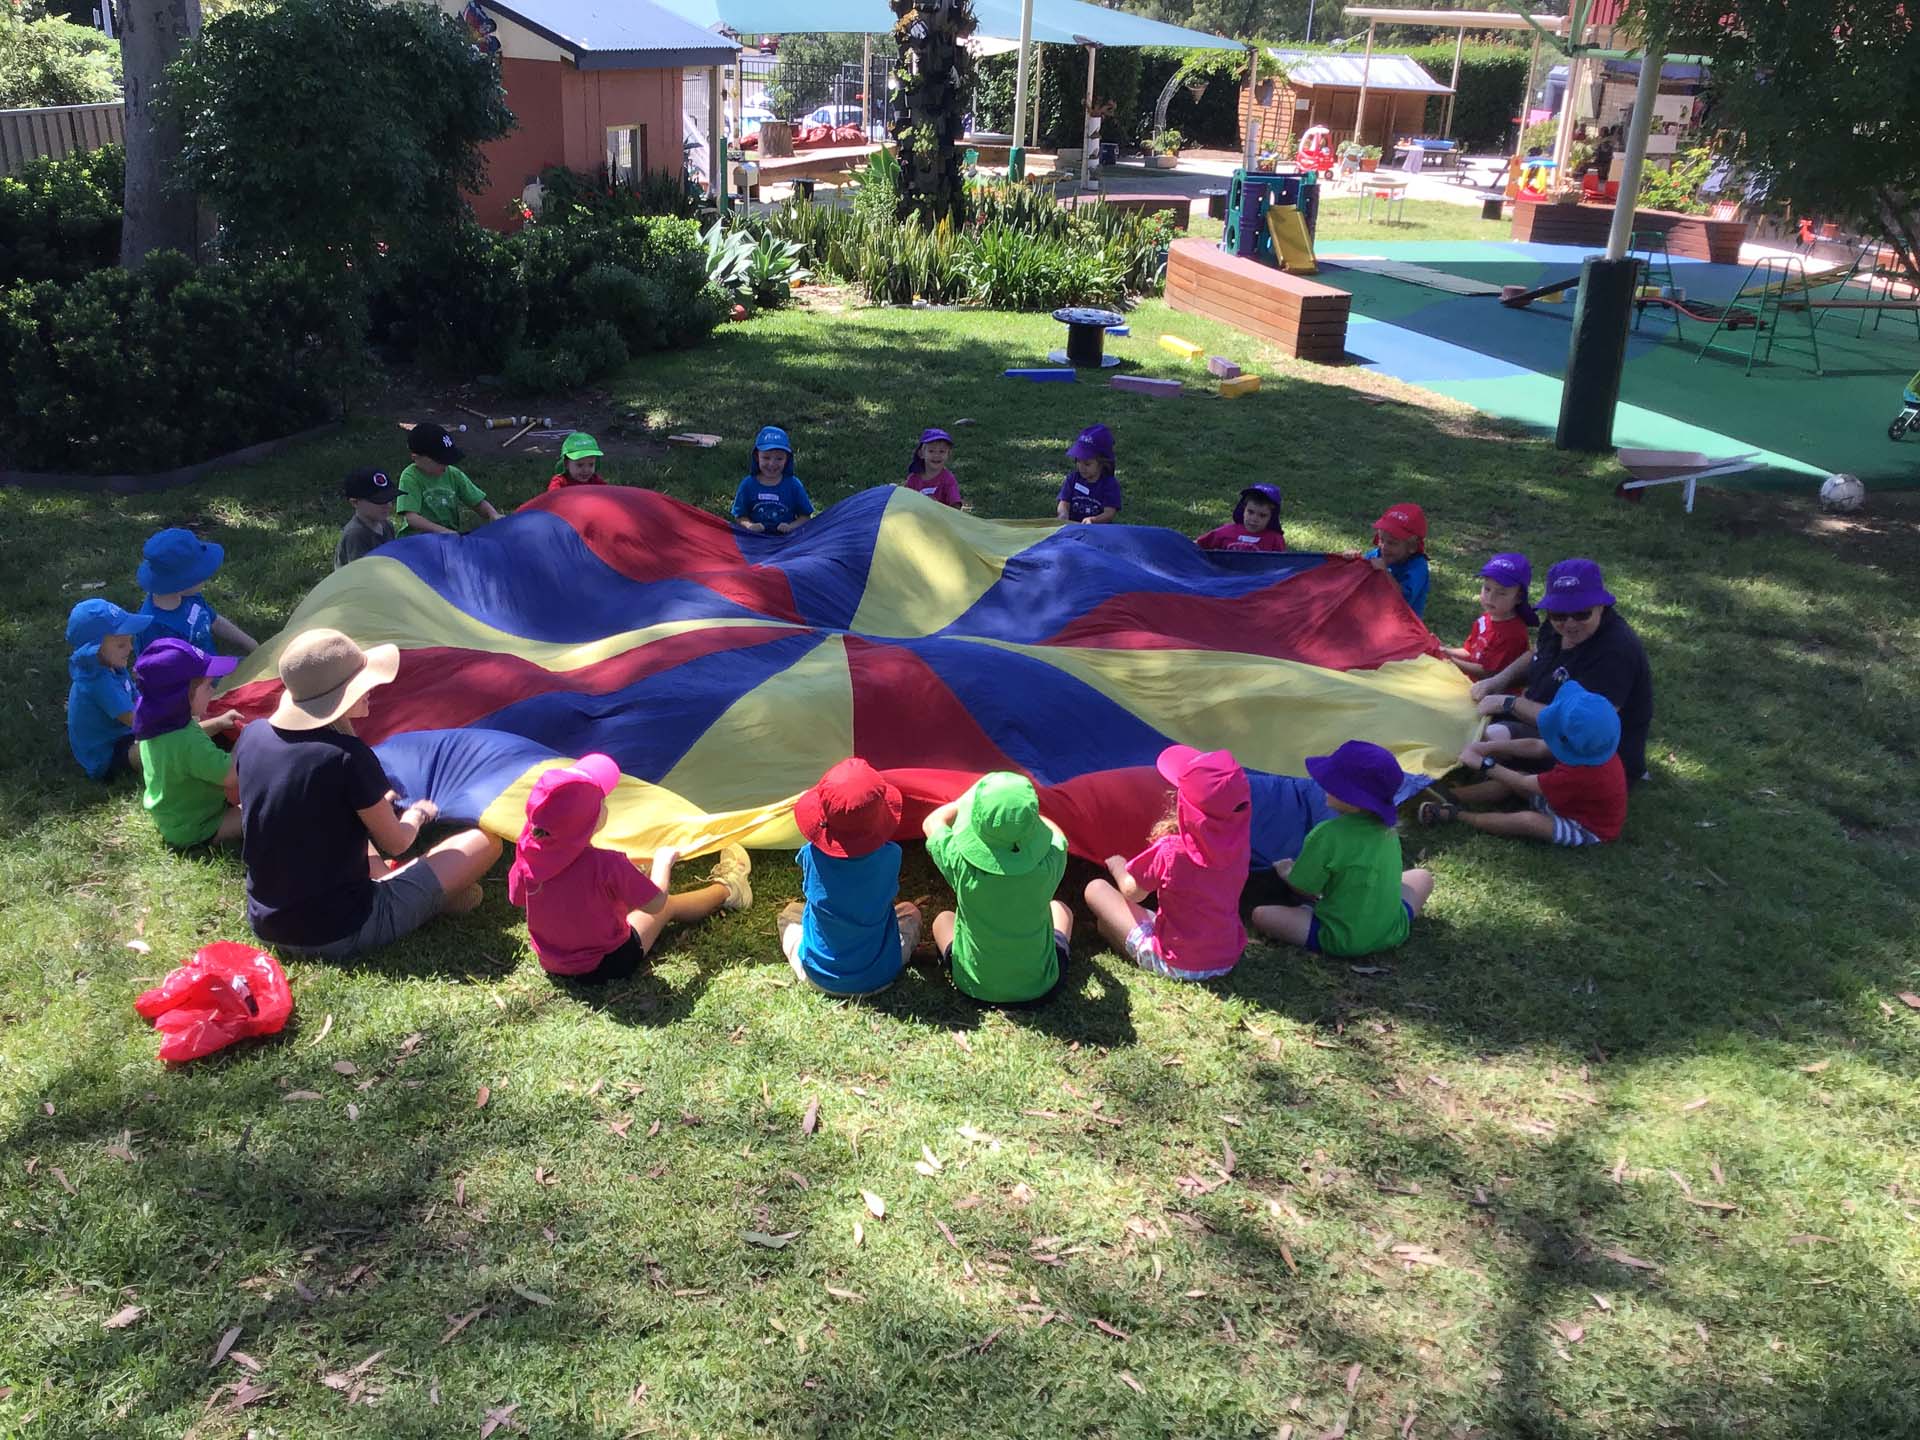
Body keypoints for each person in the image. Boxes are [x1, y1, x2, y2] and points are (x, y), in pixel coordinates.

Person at [234, 628, 503, 959]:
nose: (370, 690)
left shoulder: (253, 735)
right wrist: (416, 815)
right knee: (483, 842)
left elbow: (242, 795)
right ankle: (423, 896)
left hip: (267, 921)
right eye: (361, 685)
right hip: (340, 931)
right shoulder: (347, 756)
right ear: (341, 696)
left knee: (355, 833)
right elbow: (398, 842)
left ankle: (418, 889)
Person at [507, 753, 751, 984]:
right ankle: (730, 889)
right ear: (595, 819)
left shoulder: (527, 856)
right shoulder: (608, 864)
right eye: (601, 800)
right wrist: (662, 864)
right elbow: (657, 903)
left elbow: (518, 898)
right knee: (669, 906)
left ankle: (721, 889)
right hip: (607, 962)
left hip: (553, 962)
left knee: (615, 898)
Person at [1470, 558, 1654, 784]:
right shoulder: (1555, 625)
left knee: (1490, 735)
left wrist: (1509, 703)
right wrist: (1497, 682)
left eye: (1581, 614)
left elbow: (1580, 726)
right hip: (1538, 715)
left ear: (1601, 606)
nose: (1569, 623)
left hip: (1587, 751)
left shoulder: (1616, 652)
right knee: (1465, 713)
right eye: (1558, 615)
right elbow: (1535, 655)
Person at [1083, 745, 1253, 981]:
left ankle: (1114, 934)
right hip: (1226, 958)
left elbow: (1133, 892)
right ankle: (1110, 928)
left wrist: (1117, 865)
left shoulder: (1170, 850)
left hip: (1176, 963)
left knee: (1097, 890)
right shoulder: (1240, 846)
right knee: (1125, 919)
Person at [1250, 740, 1434, 957]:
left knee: (1261, 915)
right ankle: (1372, 921)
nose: (1322, 784)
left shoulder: (1326, 834)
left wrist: (1286, 871)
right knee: (1422, 876)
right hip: (1394, 928)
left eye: (1332, 782)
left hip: (1341, 937)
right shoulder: (1388, 830)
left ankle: (1316, 917)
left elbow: (1306, 890)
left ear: (1353, 800)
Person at [777, 758, 922, 997]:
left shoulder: (811, 855)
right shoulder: (891, 856)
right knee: (909, 911)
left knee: (790, 913)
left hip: (817, 975)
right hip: (880, 974)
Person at [924, 773, 1072, 1005]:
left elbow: (931, 822)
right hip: (1040, 986)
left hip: (974, 985)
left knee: (943, 918)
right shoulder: (1051, 861)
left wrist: (965, 802)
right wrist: (1023, 820)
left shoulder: (960, 863)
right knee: (1060, 908)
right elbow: (1058, 836)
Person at [1420, 680, 1626, 847]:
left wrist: (1483, 763)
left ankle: (1462, 816)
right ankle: (1452, 795)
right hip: (1566, 802)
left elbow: (1524, 784)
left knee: (1528, 821)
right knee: (1508, 780)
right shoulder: (1592, 748)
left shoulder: (1580, 775)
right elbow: (1535, 745)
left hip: (1586, 826)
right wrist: (1489, 748)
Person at [132, 639, 244, 847]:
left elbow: (178, 747)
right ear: (183, 696)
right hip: (200, 827)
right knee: (262, 808)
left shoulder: (158, 724)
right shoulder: (188, 741)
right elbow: (231, 776)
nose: (213, 691)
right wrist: (246, 742)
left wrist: (218, 723)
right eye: (208, 686)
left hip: (173, 819)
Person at [135, 527, 259, 656]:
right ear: (182, 583)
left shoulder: (189, 596)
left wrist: (251, 644)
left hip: (209, 666)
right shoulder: (156, 627)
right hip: (194, 674)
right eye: (201, 574)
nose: (206, 577)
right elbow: (162, 670)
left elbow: (215, 621)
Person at [66, 598, 151, 780]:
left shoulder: (112, 664)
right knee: (160, 748)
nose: (130, 648)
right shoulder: (98, 682)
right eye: (121, 644)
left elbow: (137, 700)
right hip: (108, 754)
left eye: (130, 640)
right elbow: (135, 720)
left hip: (125, 734)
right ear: (94, 650)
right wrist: (173, 723)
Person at [1441, 552, 1536, 682]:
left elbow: (1488, 673)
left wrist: (1451, 661)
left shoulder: (1513, 634)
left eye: (1501, 593)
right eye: (1487, 589)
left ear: (1519, 597)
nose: (1491, 598)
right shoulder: (1486, 618)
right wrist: (1442, 650)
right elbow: (1469, 652)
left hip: (1491, 694)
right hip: (1469, 683)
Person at [395, 422, 502, 537]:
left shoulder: (452, 474)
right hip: (418, 541)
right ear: (416, 458)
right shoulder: (410, 477)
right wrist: (443, 531)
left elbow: (477, 502)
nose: (446, 464)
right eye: (440, 460)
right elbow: (412, 518)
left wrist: (493, 514)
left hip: (449, 537)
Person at [731, 425, 815, 535]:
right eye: (766, 457)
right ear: (757, 457)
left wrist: (791, 527)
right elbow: (740, 516)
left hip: (786, 541)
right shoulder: (748, 485)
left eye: (779, 458)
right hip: (754, 540)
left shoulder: (794, 485)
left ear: (787, 459)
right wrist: (750, 526)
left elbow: (805, 516)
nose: (772, 464)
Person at [1362, 503, 1430, 617]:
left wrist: (1384, 572)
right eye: (1381, 540)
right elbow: (1358, 575)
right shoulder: (1378, 554)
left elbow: (1401, 600)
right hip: (1374, 620)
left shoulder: (1418, 567)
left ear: (1412, 547)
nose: (1384, 547)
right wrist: (1351, 561)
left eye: (1392, 543)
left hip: (1402, 628)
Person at [1056, 424, 1121, 526]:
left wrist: (1094, 520)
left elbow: (1109, 513)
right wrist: (1063, 513)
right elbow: (1064, 502)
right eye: (1078, 461)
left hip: (1098, 531)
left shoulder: (1109, 484)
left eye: (1087, 464)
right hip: (1072, 529)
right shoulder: (1072, 479)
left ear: (1102, 463)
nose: (1081, 467)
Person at [335, 467, 398, 570]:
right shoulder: (355, 534)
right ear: (355, 502)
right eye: (379, 501)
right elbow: (360, 574)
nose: (388, 505)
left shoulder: (386, 525)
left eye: (389, 499)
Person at [1196, 483, 1287, 553]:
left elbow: (1281, 566)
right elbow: (1195, 547)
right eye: (1250, 512)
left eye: (1262, 515)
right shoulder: (1225, 532)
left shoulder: (1275, 539)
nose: (1254, 519)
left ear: (1272, 517)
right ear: (1243, 509)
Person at [902, 428, 963, 508]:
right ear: (921, 454)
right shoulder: (913, 479)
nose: (936, 455)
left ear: (948, 454)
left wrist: (936, 506)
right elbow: (905, 502)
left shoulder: (948, 479)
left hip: (940, 518)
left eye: (942, 451)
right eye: (931, 451)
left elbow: (956, 506)